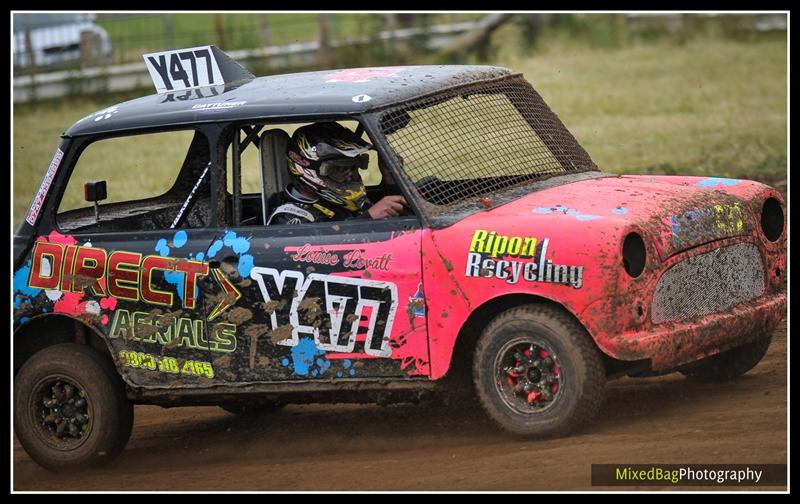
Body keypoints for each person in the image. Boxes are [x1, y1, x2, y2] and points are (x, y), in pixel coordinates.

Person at [267, 122, 406, 225]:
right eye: (339, 170)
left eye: (354, 167)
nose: (351, 175)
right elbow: (321, 255)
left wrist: (391, 181)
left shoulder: (348, 202)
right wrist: (368, 218)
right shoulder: (289, 217)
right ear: (308, 170)